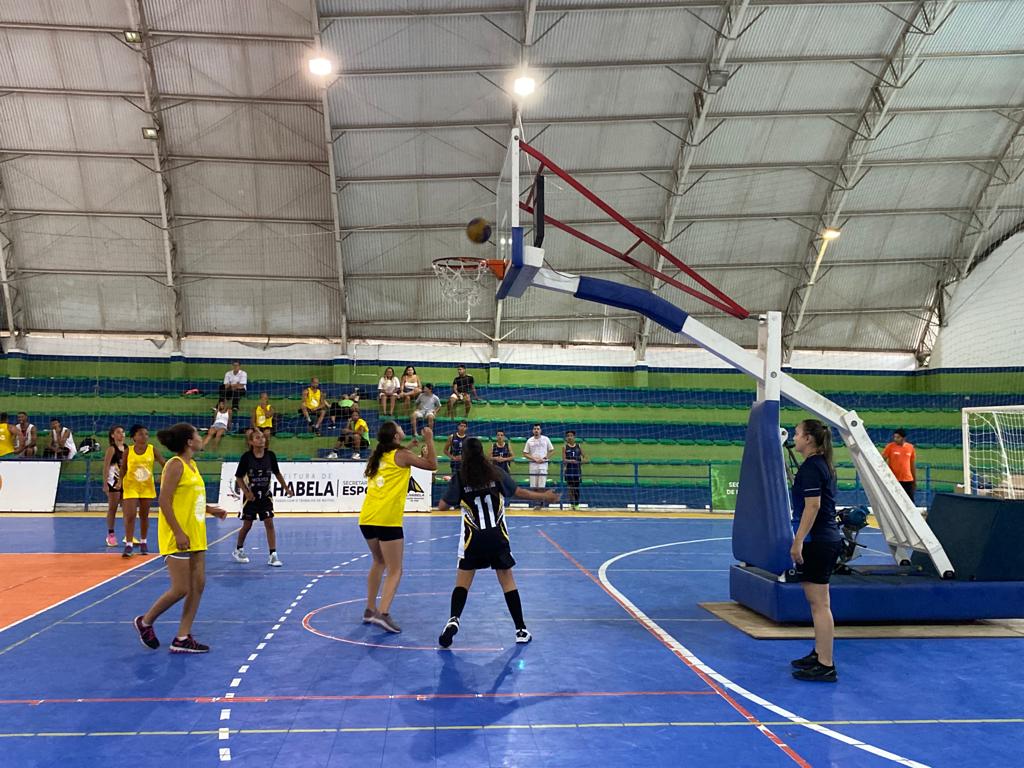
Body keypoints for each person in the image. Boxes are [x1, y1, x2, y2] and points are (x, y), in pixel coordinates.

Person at [436, 437, 558, 648]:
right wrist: (544, 496)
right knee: (507, 582)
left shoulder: (460, 477)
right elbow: (519, 492)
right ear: (482, 452)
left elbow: (442, 507)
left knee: (462, 583)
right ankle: (521, 629)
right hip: (497, 537)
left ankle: (453, 620)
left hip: (472, 539)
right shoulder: (495, 472)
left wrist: (454, 494)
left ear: (463, 455)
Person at [133, 423, 228, 654]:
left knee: (198, 585)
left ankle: (182, 637)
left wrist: (210, 509)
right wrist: (177, 531)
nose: (200, 437)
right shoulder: (175, 465)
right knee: (181, 588)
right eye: (197, 434)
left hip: (195, 532)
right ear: (188, 441)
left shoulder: (192, 465)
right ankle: (145, 621)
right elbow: (164, 501)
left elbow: (187, 500)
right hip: (179, 535)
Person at [358, 422, 437, 633]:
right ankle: (382, 614)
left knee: (378, 562)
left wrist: (409, 446)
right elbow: (432, 465)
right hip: (387, 519)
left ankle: (369, 609)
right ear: (395, 436)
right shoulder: (401, 454)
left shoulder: (379, 455)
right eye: (399, 428)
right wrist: (429, 439)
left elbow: (396, 459)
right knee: (395, 570)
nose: (402, 428)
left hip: (367, 518)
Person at [789, 419, 843, 683]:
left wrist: (798, 541)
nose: (795, 438)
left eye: (798, 434)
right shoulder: (822, 464)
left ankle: (826, 664)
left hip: (819, 540)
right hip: (824, 539)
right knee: (818, 603)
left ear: (809, 438)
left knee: (820, 604)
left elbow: (813, 507)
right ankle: (819, 653)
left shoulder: (813, 467)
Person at [232, 429, 293, 567]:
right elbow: (239, 477)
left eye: (263, 437)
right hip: (251, 498)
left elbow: (277, 473)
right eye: (258, 438)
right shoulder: (246, 457)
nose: (262, 439)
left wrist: (286, 488)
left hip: (265, 496)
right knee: (247, 525)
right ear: (251, 442)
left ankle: (273, 555)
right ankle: (238, 549)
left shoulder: (270, 455)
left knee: (269, 523)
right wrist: (246, 492)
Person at [119, 424, 166, 557]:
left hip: (146, 486)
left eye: (146, 434)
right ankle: (129, 544)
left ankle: (144, 542)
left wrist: (163, 476)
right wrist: (119, 482)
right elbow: (123, 468)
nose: (144, 436)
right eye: (140, 434)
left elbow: (164, 464)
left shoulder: (152, 449)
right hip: (131, 486)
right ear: (134, 437)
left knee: (144, 515)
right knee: (130, 515)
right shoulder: (129, 450)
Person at [102, 425, 126, 547]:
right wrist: (105, 483)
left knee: (128, 509)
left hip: (125, 482)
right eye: (118, 432)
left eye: (123, 432)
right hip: (113, 482)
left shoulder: (128, 449)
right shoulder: (112, 449)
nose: (121, 434)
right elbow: (106, 467)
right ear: (113, 435)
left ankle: (129, 534)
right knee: (113, 508)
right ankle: (110, 535)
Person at [523, 424, 554, 509]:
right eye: (535, 429)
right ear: (532, 431)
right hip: (533, 465)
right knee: (534, 486)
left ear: (540, 430)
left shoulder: (546, 439)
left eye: (538, 429)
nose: (536, 430)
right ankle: (534, 503)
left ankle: (540, 503)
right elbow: (525, 453)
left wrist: (544, 458)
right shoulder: (529, 441)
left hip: (543, 465)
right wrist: (534, 459)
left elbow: (551, 451)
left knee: (541, 485)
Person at [882, 428, 916, 502]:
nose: (895, 439)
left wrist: (914, 480)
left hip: (908, 479)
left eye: (898, 437)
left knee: (910, 501)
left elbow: (912, 465)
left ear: (903, 438)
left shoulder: (910, 447)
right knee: (894, 501)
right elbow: (881, 460)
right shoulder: (890, 447)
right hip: (894, 479)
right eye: (894, 437)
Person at [563, 430, 586, 509]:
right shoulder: (565, 447)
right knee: (570, 488)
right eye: (568, 436)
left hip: (577, 470)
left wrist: (581, 462)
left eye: (571, 435)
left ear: (574, 437)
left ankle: (577, 504)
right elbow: (564, 460)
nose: (569, 437)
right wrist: (571, 461)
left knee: (576, 487)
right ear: (566, 437)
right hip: (569, 470)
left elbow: (585, 458)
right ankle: (571, 504)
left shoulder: (578, 446)